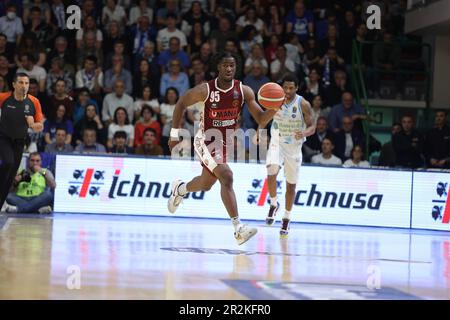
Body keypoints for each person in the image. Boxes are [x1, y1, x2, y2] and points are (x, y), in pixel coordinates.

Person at [167, 52, 278, 245]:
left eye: (232, 66)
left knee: (206, 184)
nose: (229, 69)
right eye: (225, 65)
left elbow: (261, 119)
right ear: (218, 67)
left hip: (224, 141)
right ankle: (238, 229)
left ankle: (180, 189)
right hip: (206, 139)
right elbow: (181, 104)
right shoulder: (206, 90)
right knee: (227, 176)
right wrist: (174, 134)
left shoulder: (244, 91)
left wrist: (276, 107)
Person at [263, 74, 315, 237]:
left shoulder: (303, 103)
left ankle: (286, 216)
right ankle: (273, 204)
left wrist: (305, 132)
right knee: (271, 172)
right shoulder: (275, 100)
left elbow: (313, 126)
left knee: (290, 186)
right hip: (276, 143)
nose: (287, 90)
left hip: (293, 148)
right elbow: (263, 118)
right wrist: (258, 131)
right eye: (285, 87)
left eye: (291, 87)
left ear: (297, 88)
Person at [0, 73, 44, 211]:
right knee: (8, 162)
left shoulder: (34, 102)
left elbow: (40, 126)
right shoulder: (3, 98)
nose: (24, 86)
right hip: (4, 137)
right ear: (14, 85)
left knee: (11, 175)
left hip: (20, 141)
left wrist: (32, 125)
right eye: (20, 82)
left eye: (26, 83)